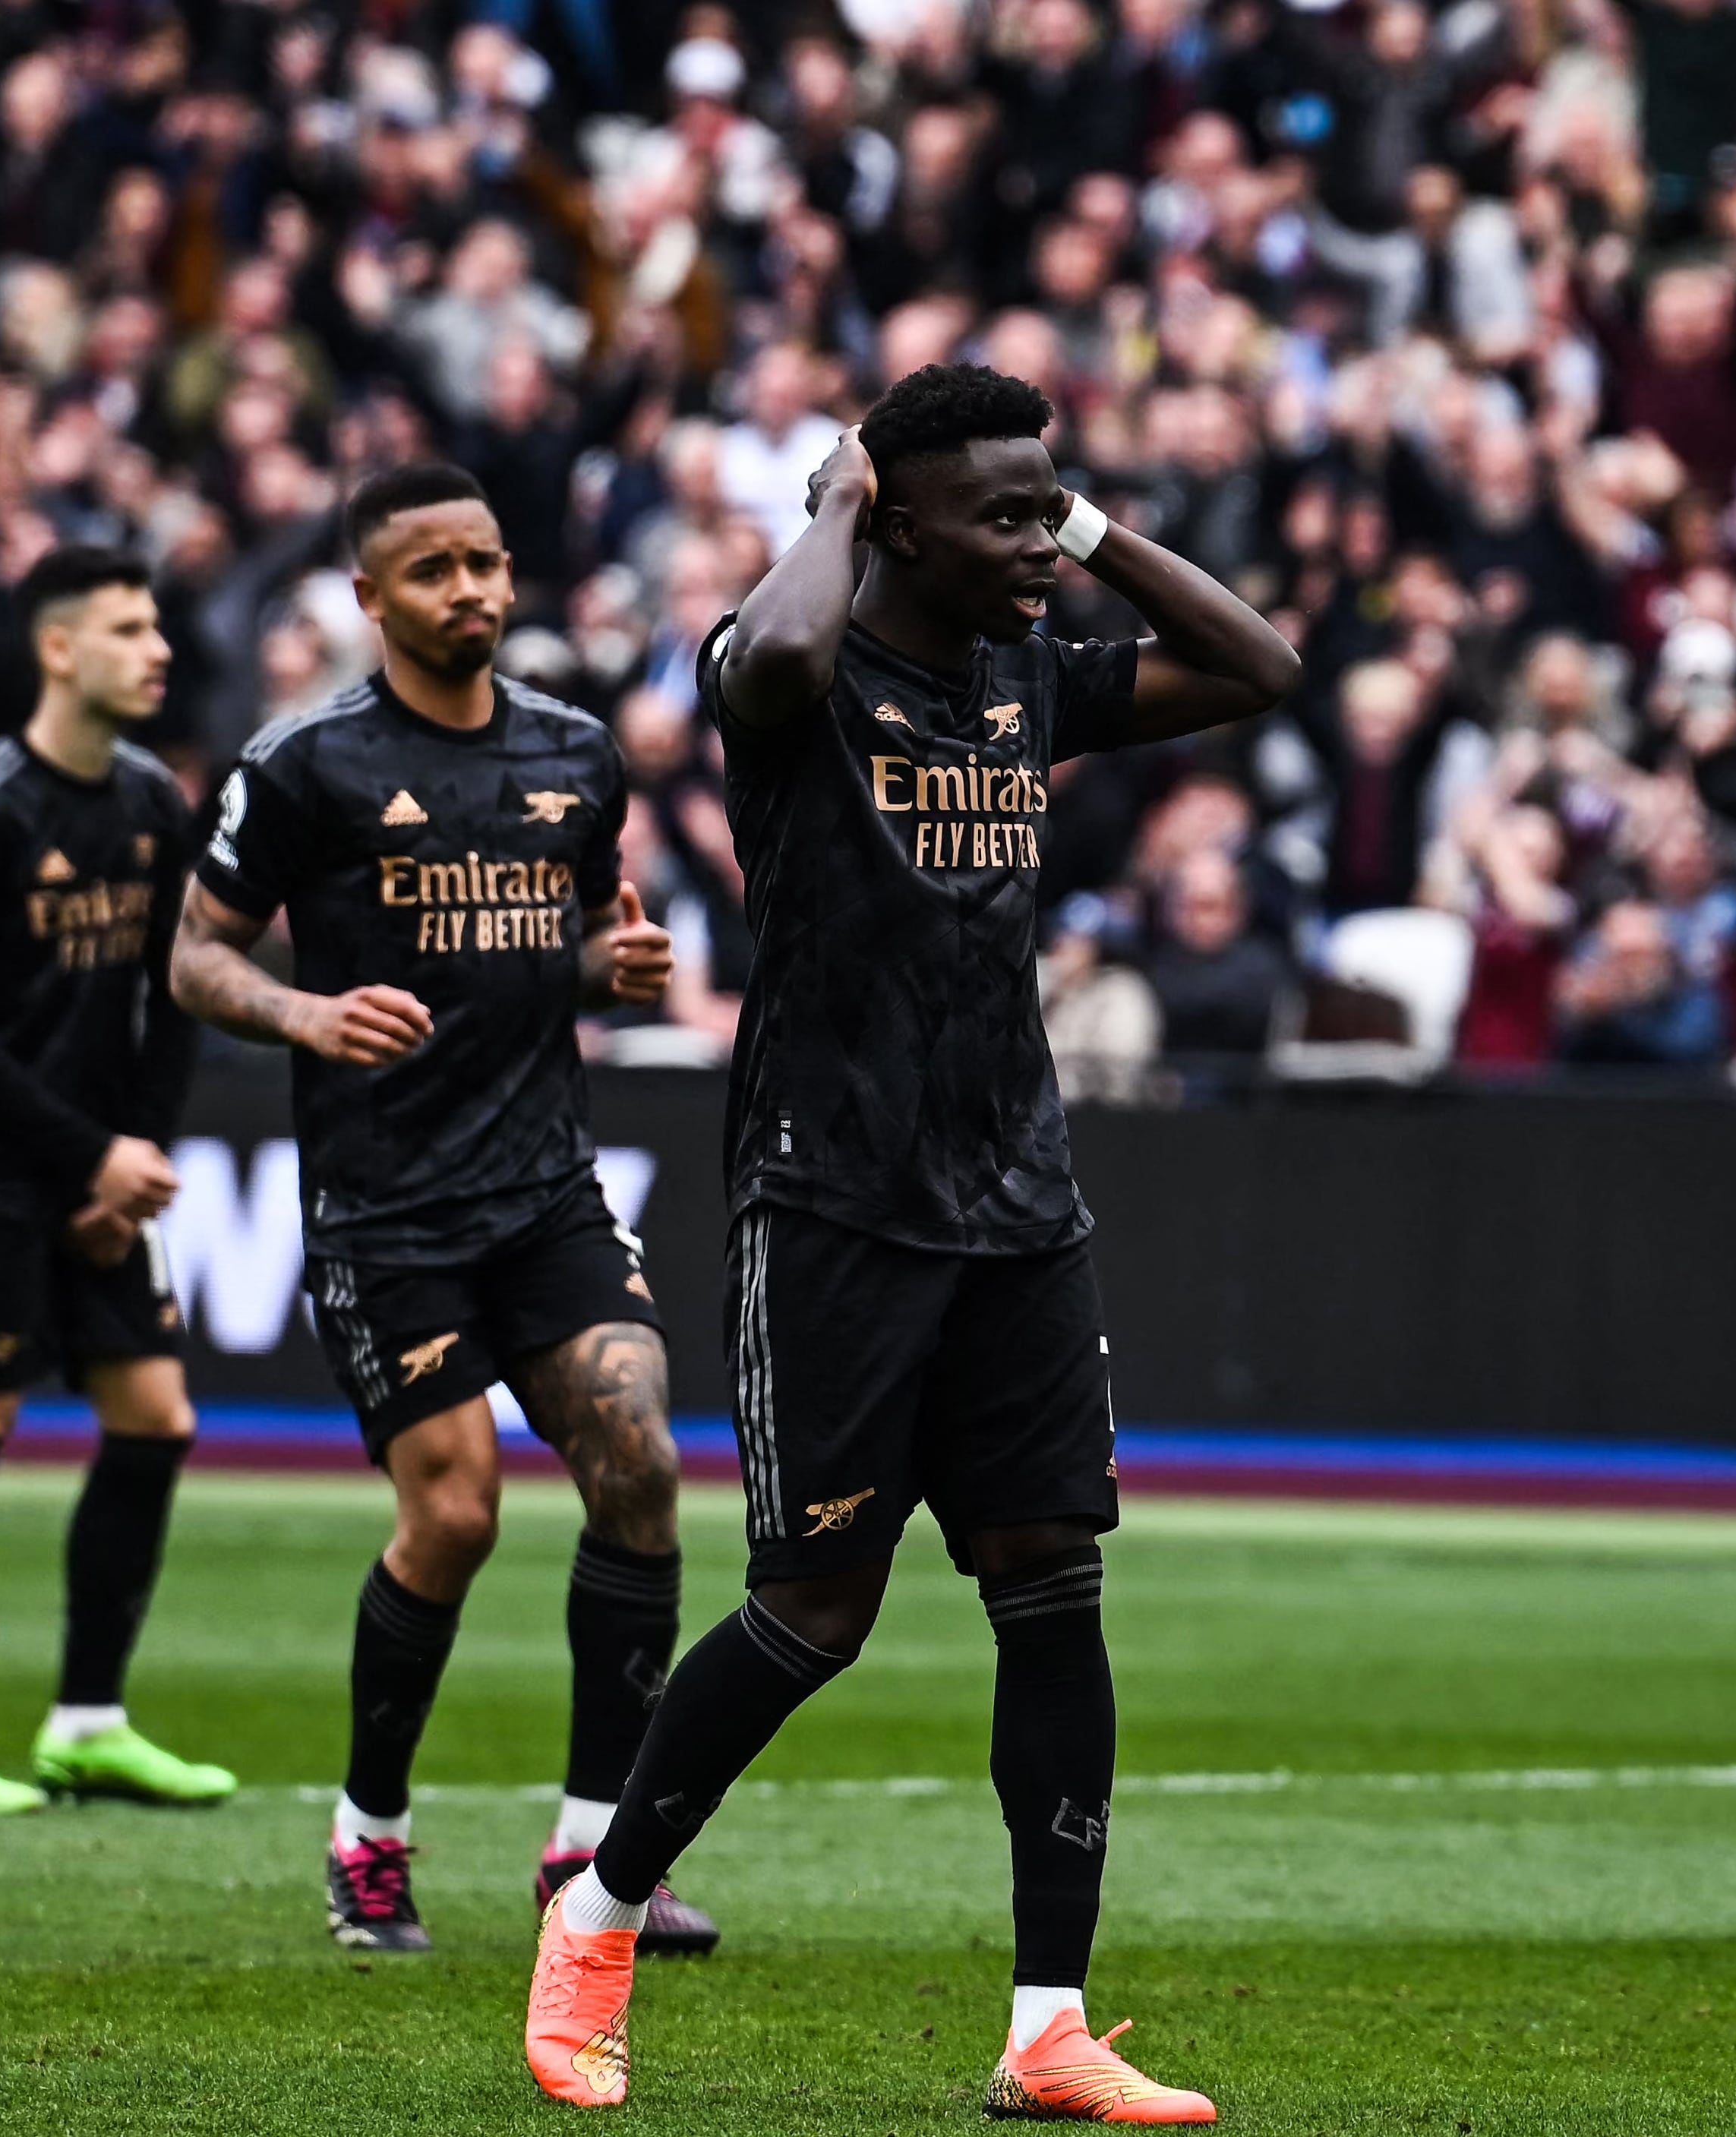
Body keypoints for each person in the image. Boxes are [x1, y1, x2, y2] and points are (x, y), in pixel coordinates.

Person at [520, 363, 1297, 2119]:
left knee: (1054, 1592)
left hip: (1018, 1199)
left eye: (1053, 508)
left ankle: (1048, 2026)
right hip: (835, 1198)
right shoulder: (793, 665)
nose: (1040, 542)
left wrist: (1085, 528)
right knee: (813, 1612)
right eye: (1007, 514)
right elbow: (780, 661)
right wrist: (830, 504)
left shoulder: (1031, 666)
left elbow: (1264, 669)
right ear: (898, 518)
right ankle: (602, 1912)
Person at [169, 466, 712, 1957]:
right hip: (383, 1208)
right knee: (456, 1511)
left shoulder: (579, 754)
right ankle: (370, 1839)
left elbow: (580, 947)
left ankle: (595, 1861)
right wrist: (301, 1010)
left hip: (545, 1190)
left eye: (485, 563)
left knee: (640, 1465)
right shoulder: (305, 764)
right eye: (432, 572)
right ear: (368, 598)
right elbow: (194, 958)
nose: (470, 591)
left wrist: (622, 972)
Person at [0, 548, 227, 1814]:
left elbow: (177, 990)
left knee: (157, 1419)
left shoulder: (150, 796)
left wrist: (131, 1157)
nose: (160, 650)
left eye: (159, 629)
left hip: (103, 1170)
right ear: (59, 647)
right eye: (131, 630)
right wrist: (90, 1156)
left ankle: (88, 1719)